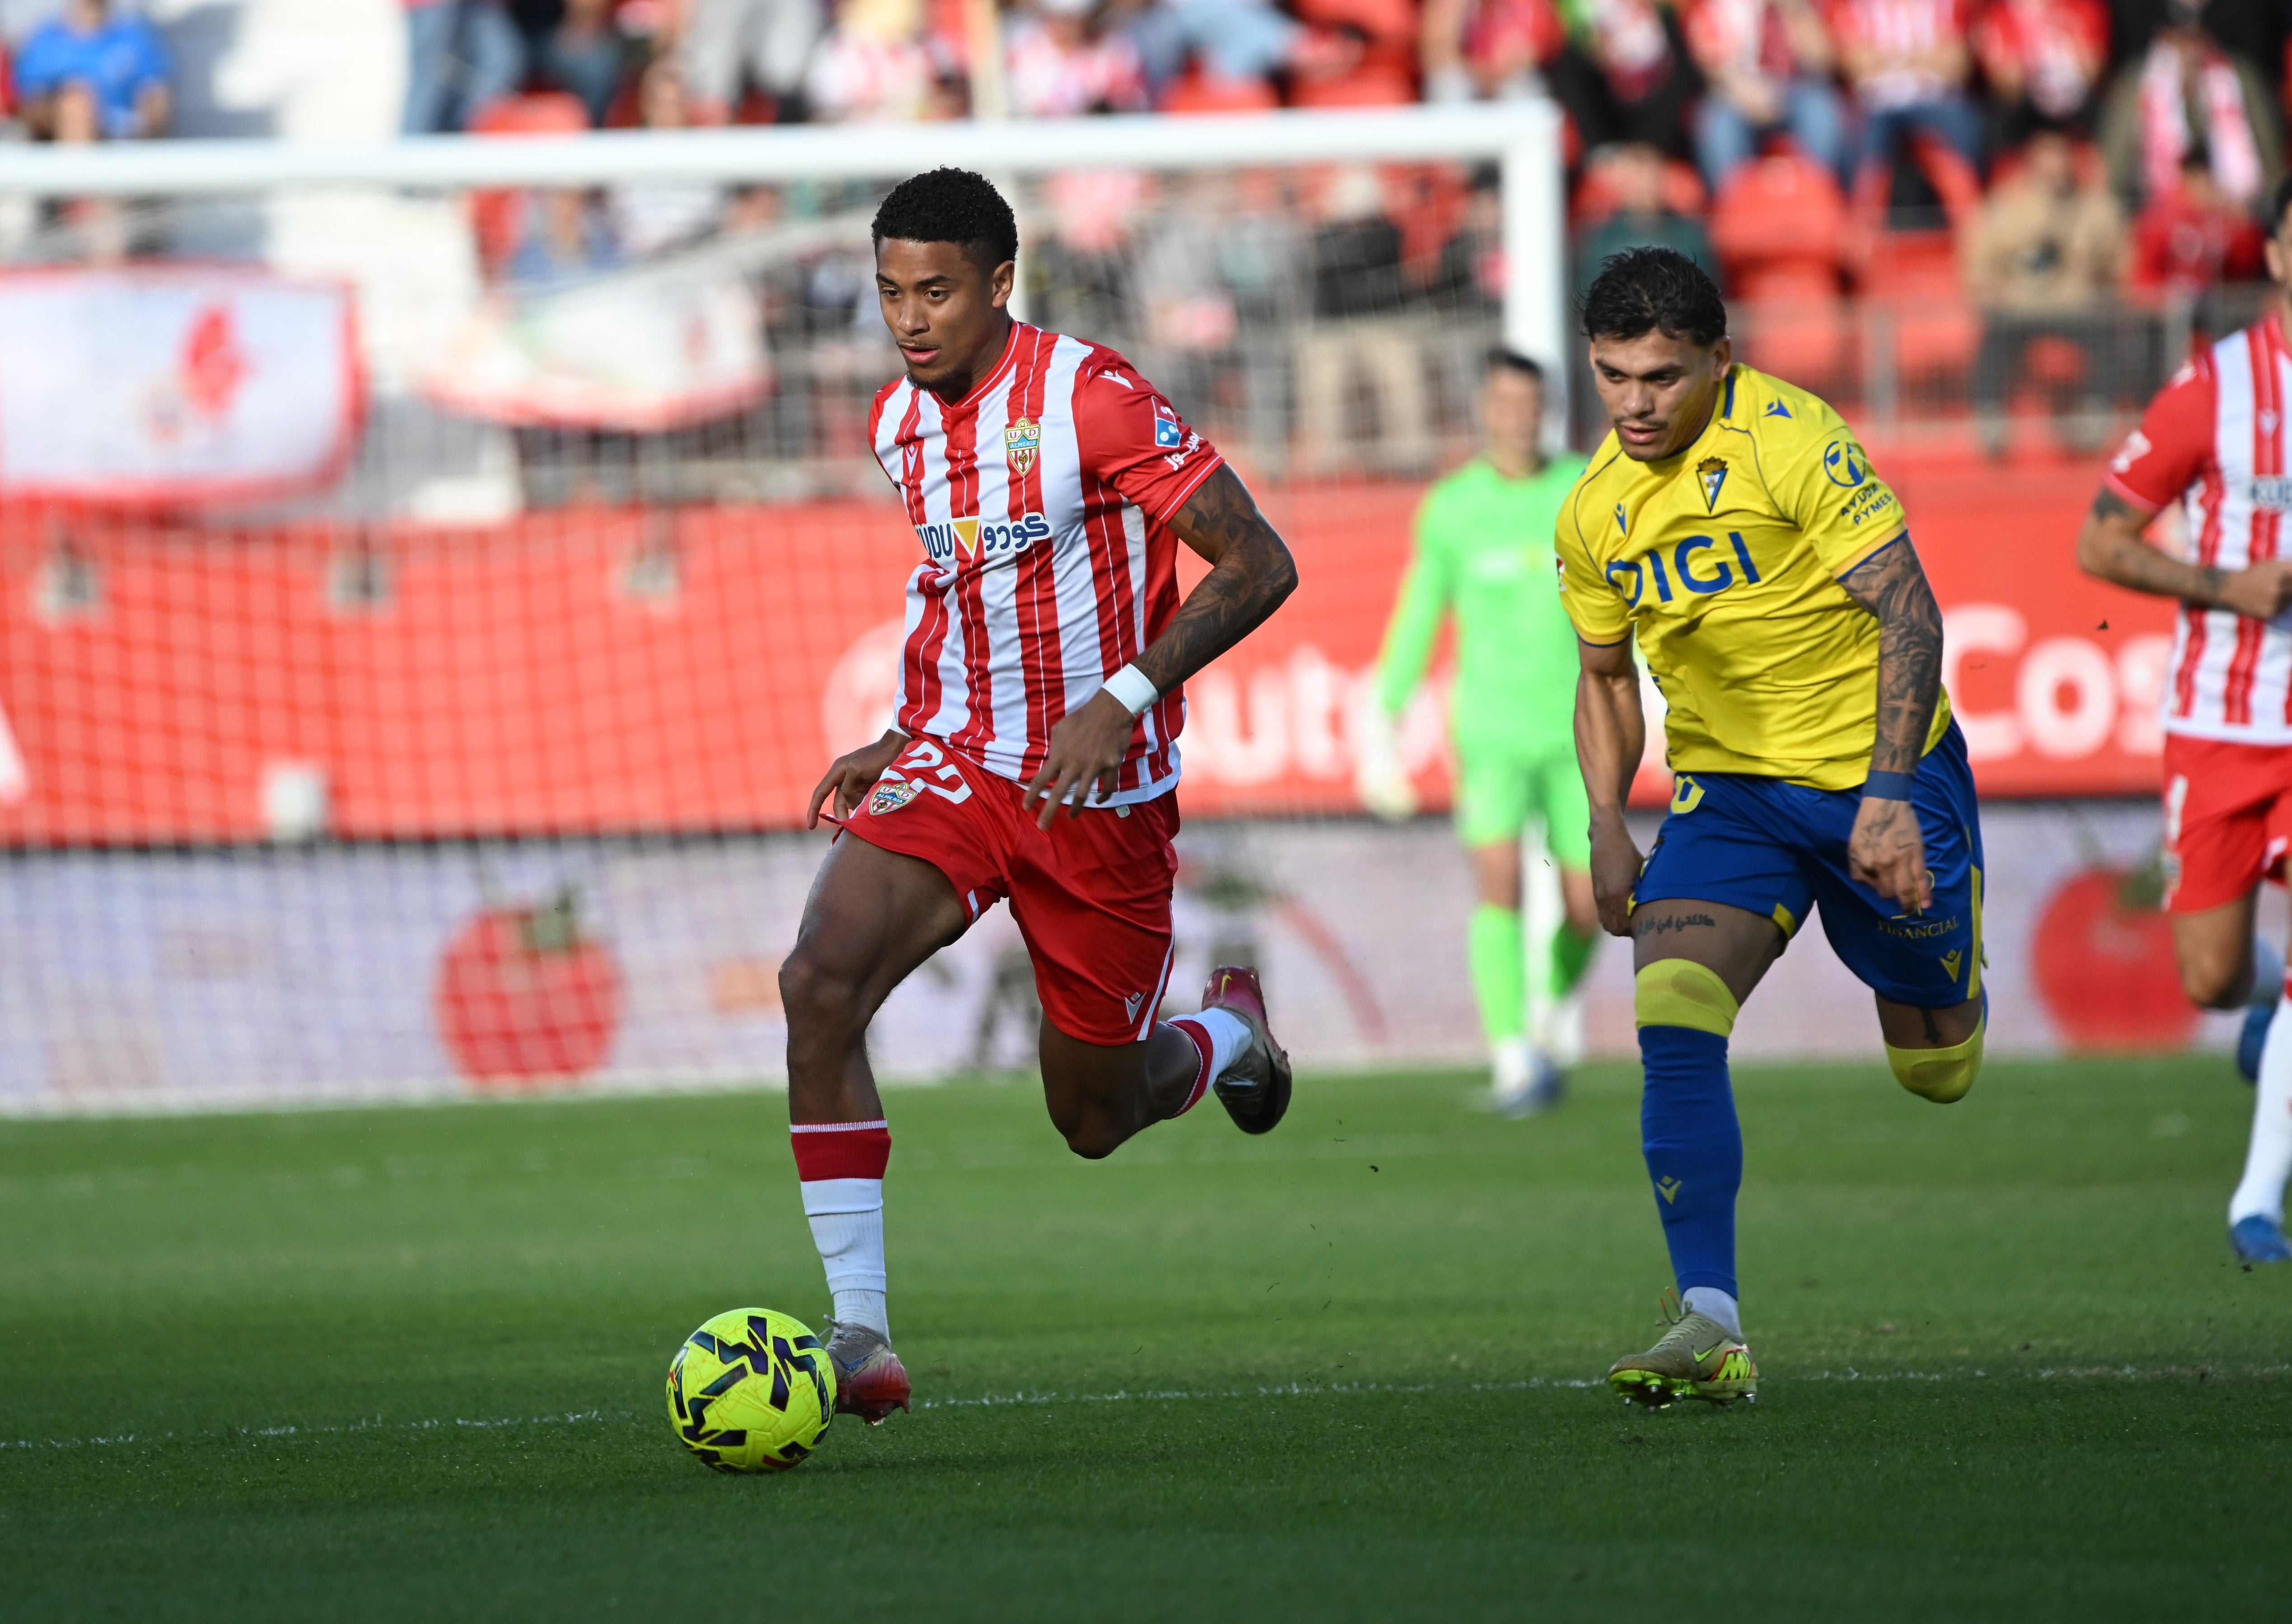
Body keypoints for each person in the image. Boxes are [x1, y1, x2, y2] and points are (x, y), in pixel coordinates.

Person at [780, 167, 1301, 1421]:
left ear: (1000, 282)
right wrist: (902, 729)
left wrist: (1123, 693)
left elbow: (1259, 562)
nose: (910, 320)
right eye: (890, 293)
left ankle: (1228, 1034)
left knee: (1094, 1117)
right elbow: (963, 593)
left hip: (1096, 793)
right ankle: (861, 1333)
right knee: (818, 983)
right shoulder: (896, 424)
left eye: (937, 293)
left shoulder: (1091, 397)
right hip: (959, 764)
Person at [1561, 246, 1984, 1406]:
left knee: (1936, 1068)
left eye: (1660, 376)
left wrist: (1887, 794)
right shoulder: (1592, 509)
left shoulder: (1792, 441)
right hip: (1729, 793)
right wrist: (1604, 823)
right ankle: (1710, 1320)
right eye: (1612, 376)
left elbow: (1908, 611)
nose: (1635, 403)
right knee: (1671, 1012)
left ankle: (1955, 955)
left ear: (1718, 358)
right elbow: (1603, 678)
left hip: (1876, 775)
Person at [2072, 173, 2292, 1267]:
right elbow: (2098, 543)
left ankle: (2255, 1203)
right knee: (2209, 973)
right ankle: (2263, 1004)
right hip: (2219, 719)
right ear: (2276, 255)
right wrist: (2224, 585)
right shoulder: (2215, 388)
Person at [1359, 350, 1598, 1116]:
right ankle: (1508, 1054)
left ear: (1547, 409)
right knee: (1499, 885)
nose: (1519, 418)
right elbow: (1419, 613)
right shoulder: (1452, 508)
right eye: (1505, 404)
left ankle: (1547, 1008)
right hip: (1490, 733)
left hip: (1581, 734)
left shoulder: (1584, 490)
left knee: (1593, 904)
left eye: (1531, 404)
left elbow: (1633, 594)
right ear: (1484, 411)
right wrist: (1386, 717)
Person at [1963, 128, 2127, 457]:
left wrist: (2108, 285)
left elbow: (2120, 261)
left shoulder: (2096, 207)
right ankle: (1991, 420)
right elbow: (1978, 263)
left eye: (2061, 156)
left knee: (2107, 338)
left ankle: (2097, 415)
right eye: (2047, 156)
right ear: (2031, 162)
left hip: (2076, 306)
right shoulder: (2005, 206)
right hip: (2020, 307)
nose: (2056, 165)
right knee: (1993, 340)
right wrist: (1992, 290)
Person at [1683, 0, 1848, 191]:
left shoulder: (1800, 7)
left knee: (1821, 108)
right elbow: (1708, 63)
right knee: (1716, 120)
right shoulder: (1716, 7)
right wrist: (1744, 92)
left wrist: (1796, 12)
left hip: (1793, 89)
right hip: (1735, 90)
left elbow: (1823, 63)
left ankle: (1817, 195)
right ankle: (1733, 200)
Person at [1828, 0, 1984, 178]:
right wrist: (1924, 59)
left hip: (1937, 99)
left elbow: (1957, 62)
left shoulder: (1945, 5)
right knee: (1859, 148)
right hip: (1876, 104)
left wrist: (1886, 59)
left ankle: (1972, 190)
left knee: (1965, 132)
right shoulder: (1857, 6)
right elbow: (1855, 64)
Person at [13, 0, 168, 140]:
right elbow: (29, 104)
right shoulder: (45, 43)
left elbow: (155, 96)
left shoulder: (134, 38)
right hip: (60, 143)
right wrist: (70, 110)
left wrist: (142, 122)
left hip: (121, 143)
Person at [401, 0, 524, 134]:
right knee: (430, 74)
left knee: (501, 60)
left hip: (476, 5)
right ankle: (414, 137)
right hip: (433, 4)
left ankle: (461, 132)